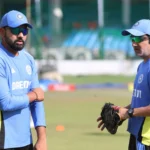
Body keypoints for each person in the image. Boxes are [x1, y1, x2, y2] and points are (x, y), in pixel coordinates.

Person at [97, 19, 150, 150]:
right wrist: (122, 111)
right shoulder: (142, 66)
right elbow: (142, 101)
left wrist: (129, 113)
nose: (134, 43)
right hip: (137, 134)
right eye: (132, 38)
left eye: (138, 39)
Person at [0, 10, 47, 150]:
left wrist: (42, 138)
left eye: (24, 30)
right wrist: (33, 95)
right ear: (2, 31)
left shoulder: (28, 59)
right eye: (15, 30)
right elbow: (5, 102)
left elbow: (38, 101)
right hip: (4, 141)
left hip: (26, 141)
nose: (21, 35)